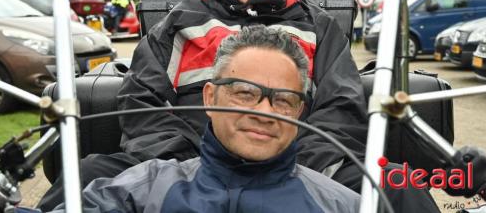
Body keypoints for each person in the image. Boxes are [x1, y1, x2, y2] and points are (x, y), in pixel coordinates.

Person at [38, 0, 439, 213]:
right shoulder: (180, 21)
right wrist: (185, 166)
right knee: (84, 176)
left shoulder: (319, 25)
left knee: (396, 187)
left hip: (295, 160)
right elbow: (140, 98)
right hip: (187, 161)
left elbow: (340, 105)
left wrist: (298, 164)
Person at [42, 25, 360, 213]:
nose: (264, 113)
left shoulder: (341, 205)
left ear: (300, 111)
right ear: (210, 98)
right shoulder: (142, 192)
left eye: (283, 100)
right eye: (245, 94)